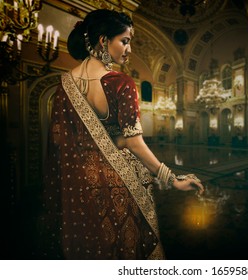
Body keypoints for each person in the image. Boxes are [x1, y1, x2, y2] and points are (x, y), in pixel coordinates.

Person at [39, 9, 204, 260]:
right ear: (104, 41)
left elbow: (60, 142)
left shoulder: (64, 84)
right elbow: (133, 143)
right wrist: (173, 179)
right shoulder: (119, 82)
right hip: (115, 183)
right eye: (125, 41)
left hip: (77, 185)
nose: (129, 49)